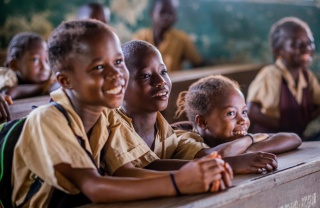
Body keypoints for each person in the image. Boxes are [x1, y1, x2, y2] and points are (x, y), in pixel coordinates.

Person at [11, 20, 232, 207]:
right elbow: (94, 187)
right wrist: (178, 182)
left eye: (118, 62)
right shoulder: (48, 119)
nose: (116, 74)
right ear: (65, 81)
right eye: (98, 67)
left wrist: (194, 174)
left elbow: (131, 171)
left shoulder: (106, 117)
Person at [118, 40, 278, 174]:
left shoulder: (165, 131)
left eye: (164, 71)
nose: (161, 80)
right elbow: (147, 167)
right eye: (146, 75)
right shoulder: (114, 127)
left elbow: (207, 157)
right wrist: (231, 163)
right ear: (121, 84)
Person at [175, 75, 302, 164]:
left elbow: (293, 139)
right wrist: (250, 139)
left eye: (244, 112)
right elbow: (217, 156)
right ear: (202, 122)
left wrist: (246, 150)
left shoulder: (235, 139)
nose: (242, 120)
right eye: (231, 113)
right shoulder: (183, 139)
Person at [246, 17, 320, 139]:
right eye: (297, 44)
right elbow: (251, 110)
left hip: (295, 138)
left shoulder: (307, 76)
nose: (307, 48)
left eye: (310, 42)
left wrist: (303, 122)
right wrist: (283, 126)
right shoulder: (270, 74)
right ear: (278, 51)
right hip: (269, 139)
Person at [133, 0, 203, 72]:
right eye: (162, 12)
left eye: (171, 13)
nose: (166, 17)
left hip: (173, 82)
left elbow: (198, 63)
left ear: (175, 17)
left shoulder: (182, 39)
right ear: (152, 13)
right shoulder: (140, 38)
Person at [1, 32, 59, 100]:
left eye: (47, 60)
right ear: (14, 65)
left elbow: (56, 87)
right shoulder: (7, 75)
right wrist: (42, 87)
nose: (44, 67)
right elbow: (8, 93)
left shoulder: (52, 77)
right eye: (35, 60)